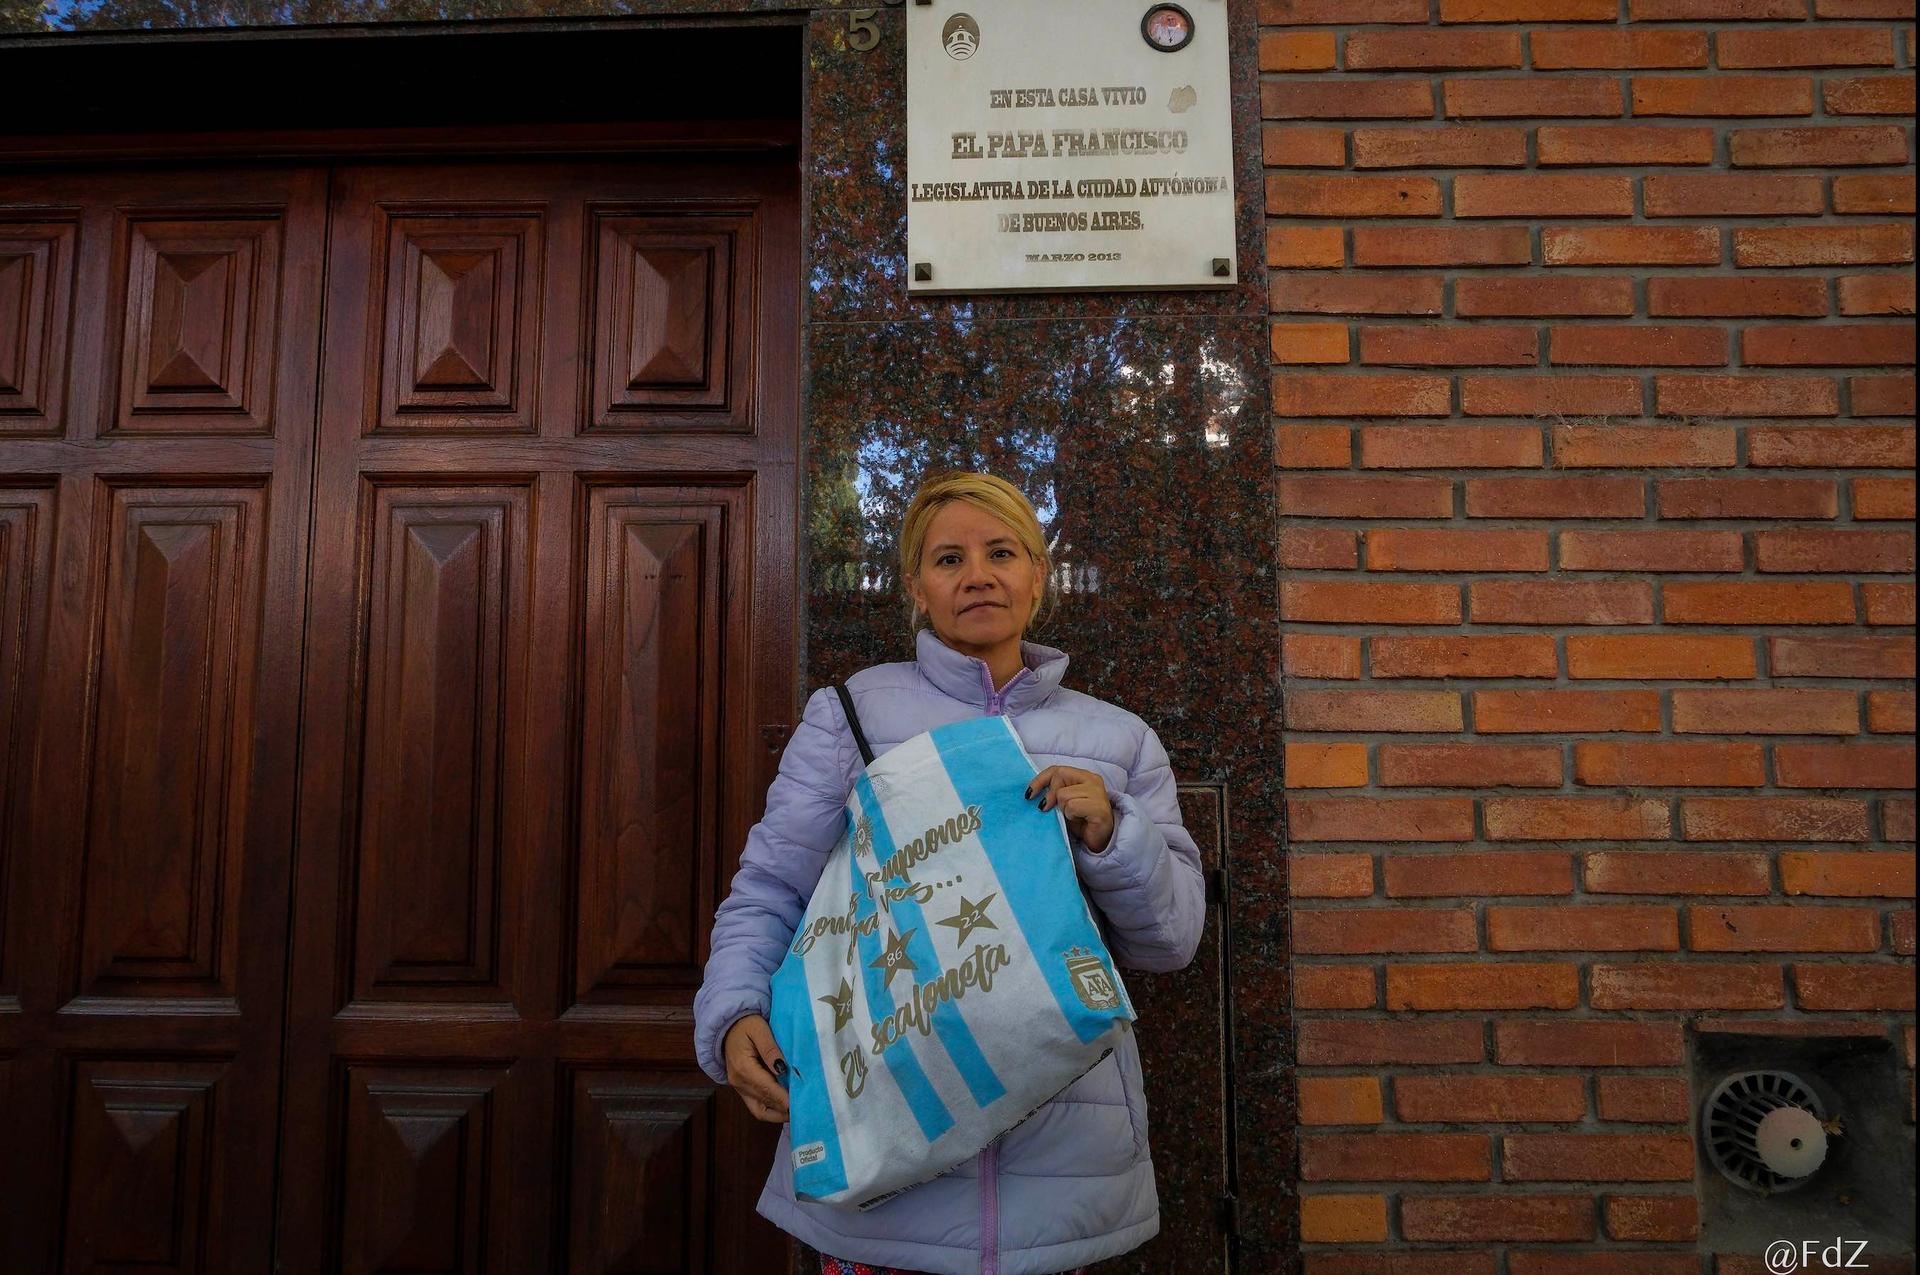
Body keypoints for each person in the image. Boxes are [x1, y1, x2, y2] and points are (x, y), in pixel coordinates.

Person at [692, 470, 1207, 1275]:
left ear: (1038, 575)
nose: (978, 574)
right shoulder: (850, 716)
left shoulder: (1121, 741)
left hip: (1060, 1191)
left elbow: (1170, 941)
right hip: (888, 1171)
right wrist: (732, 1011)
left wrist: (1113, 830)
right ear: (916, 589)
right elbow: (771, 887)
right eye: (948, 558)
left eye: (1002, 552)